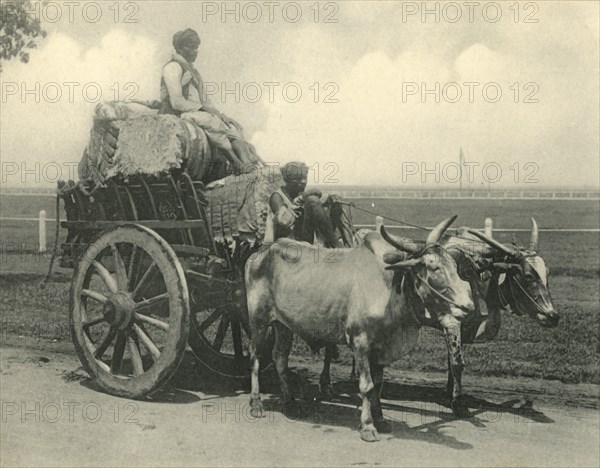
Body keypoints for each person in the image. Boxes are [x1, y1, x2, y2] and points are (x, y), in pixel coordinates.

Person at [159, 28, 257, 174]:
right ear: (178, 47)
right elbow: (176, 102)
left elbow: (205, 101)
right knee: (212, 122)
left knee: (230, 126)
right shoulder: (173, 67)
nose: (194, 51)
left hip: (195, 111)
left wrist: (220, 114)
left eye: (196, 48)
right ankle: (236, 164)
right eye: (189, 47)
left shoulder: (193, 71)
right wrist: (205, 110)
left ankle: (248, 164)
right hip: (176, 113)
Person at [267, 162, 341, 248]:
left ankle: (345, 244)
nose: (303, 181)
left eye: (304, 178)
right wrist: (300, 201)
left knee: (335, 204)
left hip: (304, 239)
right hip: (287, 242)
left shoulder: (300, 193)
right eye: (297, 178)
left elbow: (320, 198)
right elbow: (284, 221)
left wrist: (331, 198)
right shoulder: (277, 197)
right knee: (312, 200)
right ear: (287, 180)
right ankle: (335, 244)